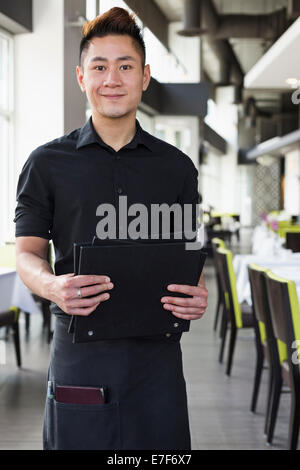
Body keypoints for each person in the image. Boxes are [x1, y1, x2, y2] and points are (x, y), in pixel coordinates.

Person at [14, 7, 208, 450]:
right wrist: (52, 286)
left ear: (145, 77)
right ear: (82, 77)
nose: (112, 79)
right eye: (99, 67)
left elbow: (188, 250)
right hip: (81, 355)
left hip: (157, 360)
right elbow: (27, 254)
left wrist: (197, 290)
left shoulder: (177, 168)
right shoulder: (46, 163)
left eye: (125, 66)